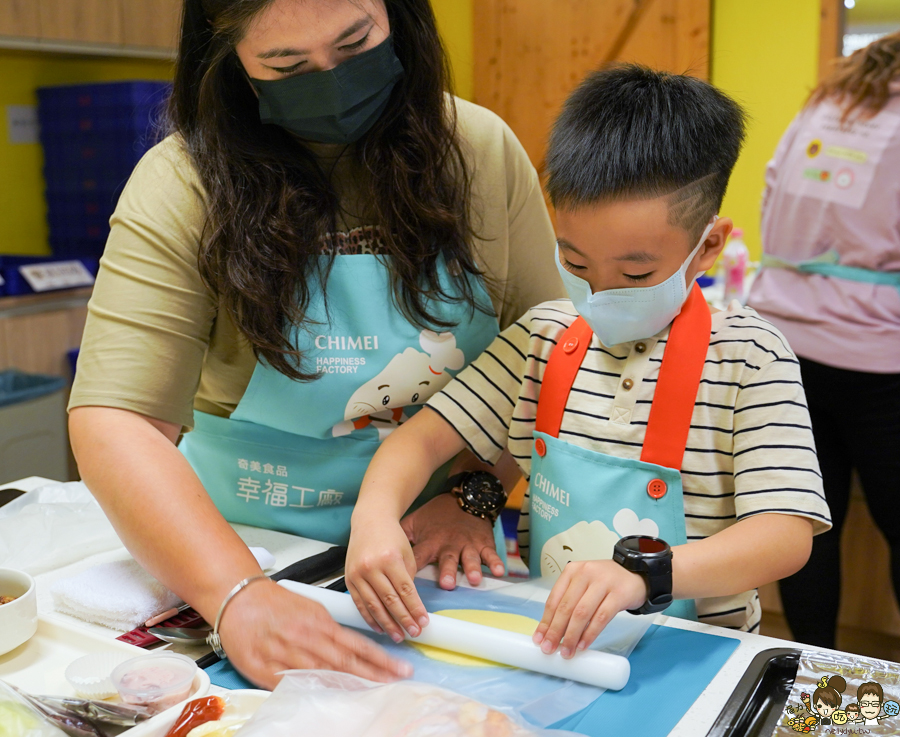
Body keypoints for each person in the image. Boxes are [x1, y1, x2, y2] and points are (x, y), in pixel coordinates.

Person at [67, 0, 561, 688]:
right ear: (229, 60)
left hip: (432, 549)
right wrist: (234, 593)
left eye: (356, 43)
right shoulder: (181, 180)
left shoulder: (479, 152)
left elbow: (546, 357)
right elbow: (116, 420)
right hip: (243, 547)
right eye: (287, 65)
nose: (331, 82)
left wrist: (476, 492)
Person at [344, 64, 832, 653]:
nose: (598, 294)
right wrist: (372, 520)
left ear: (707, 245)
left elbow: (784, 535)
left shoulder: (750, 359)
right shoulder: (543, 337)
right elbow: (415, 442)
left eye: (635, 273)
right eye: (575, 264)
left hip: (694, 654)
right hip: (557, 646)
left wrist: (645, 574)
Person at [748, 31, 900, 651]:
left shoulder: (820, 112)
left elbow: (769, 194)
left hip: (787, 345)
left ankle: (813, 688)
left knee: (808, 527)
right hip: (880, 356)